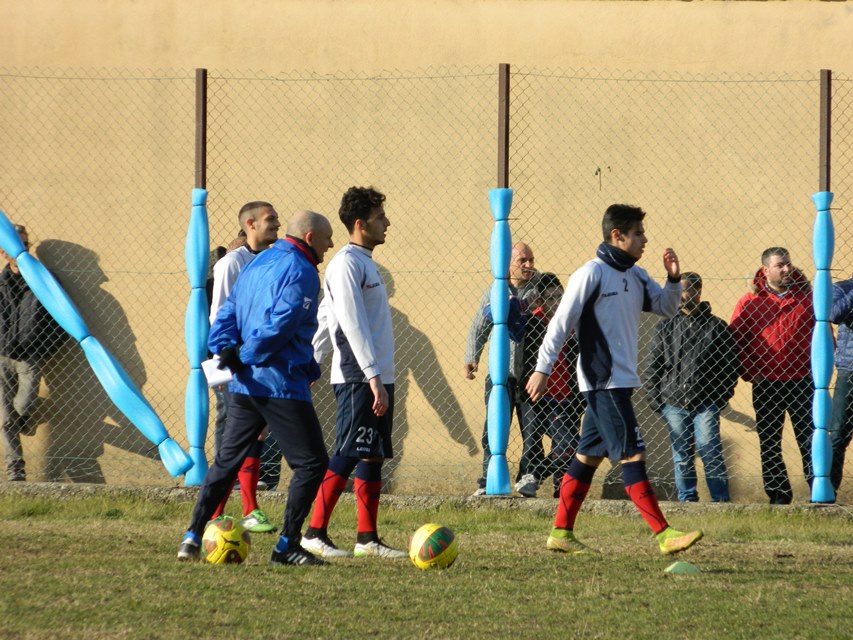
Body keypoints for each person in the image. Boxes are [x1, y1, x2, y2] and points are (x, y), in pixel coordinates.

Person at [526, 204, 703, 556]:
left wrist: (671, 280)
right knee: (633, 454)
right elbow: (560, 324)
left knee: (587, 457)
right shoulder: (589, 274)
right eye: (637, 233)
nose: (645, 239)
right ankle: (664, 534)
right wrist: (542, 368)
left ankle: (560, 533)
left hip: (619, 381)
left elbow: (666, 308)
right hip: (603, 381)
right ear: (616, 235)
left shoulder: (635, 275)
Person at [176, 210, 335, 566]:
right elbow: (283, 322)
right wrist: (245, 354)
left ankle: (191, 535)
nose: (331, 244)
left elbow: (228, 312)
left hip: (245, 385)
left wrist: (226, 350)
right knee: (311, 464)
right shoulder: (303, 270)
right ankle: (286, 546)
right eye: (327, 238)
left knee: (225, 462)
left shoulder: (257, 263)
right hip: (278, 385)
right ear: (309, 238)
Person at [301, 186, 406, 559]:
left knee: (372, 454)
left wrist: (311, 361)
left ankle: (367, 539)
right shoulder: (345, 264)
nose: (387, 223)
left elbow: (325, 318)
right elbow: (349, 324)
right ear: (360, 224)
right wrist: (373, 377)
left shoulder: (364, 262)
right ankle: (314, 532)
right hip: (359, 377)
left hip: (376, 375)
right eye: (380, 218)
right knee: (348, 451)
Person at [207, 202, 281, 533]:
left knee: (257, 430)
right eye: (271, 220)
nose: (277, 225)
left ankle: (246, 509)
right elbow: (218, 318)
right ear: (250, 224)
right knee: (236, 434)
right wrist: (226, 367)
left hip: (261, 362)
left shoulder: (272, 260)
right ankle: (230, 510)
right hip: (235, 363)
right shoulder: (230, 264)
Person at [645, 271, 739, 503]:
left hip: (706, 402)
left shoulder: (716, 328)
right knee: (682, 456)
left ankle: (720, 501)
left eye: (684, 290)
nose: (679, 296)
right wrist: (657, 401)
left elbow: (730, 367)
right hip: (673, 401)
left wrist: (719, 398)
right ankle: (687, 500)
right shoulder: (665, 327)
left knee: (710, 451)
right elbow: (653, 366)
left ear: (697, 292)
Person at [729, 247, 814, 505]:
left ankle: (819, 491)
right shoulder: (750, 302)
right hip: (766, 383)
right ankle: (779, 495)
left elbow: (824, 338)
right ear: (765, 270)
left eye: (788, 264)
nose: (787, 269)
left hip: (802, 382)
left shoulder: (807, 300)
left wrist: (819, 372)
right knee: (769, 442)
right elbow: (735, 341)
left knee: (809, 439)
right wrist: (748, 371)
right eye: (780, 265)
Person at [464, 241, 541, 496]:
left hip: (533, 376)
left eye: (531, 260)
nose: (529, 265)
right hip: (500, 376)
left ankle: (527, 479)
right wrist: (471, 357)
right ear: (507, 265)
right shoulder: (496, 290)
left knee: (532, 430)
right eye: (523, 261)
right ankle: (488, 480)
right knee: (494, 430)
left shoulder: (541, 287)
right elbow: (479, 326)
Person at [0, 224, 64, 481]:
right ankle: (15, 470)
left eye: (26, 245)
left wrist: (43, 349)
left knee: (23, 405)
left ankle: (23, 420)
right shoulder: (1, 284)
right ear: (5, 252)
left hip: (31, 356)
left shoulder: (43, 280)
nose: (23, 250)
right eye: (17, 246)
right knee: (5, 418)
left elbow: (62, 319)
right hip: (3, 356)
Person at [516, 272, 584, 498]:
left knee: (566, 446)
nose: (556, 302)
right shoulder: (533, 322)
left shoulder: (571, 325)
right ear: (541, 301)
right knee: (538, 445)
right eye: (551, 298)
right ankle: (530, 481)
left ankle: (558, 491)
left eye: (560, 297)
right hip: (538, 397)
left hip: (566, 398)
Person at [825, 274, 853, 497]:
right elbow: (833, 314)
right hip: (850, 371)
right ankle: (828, 492)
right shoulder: (842, 288)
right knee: (837, 434)